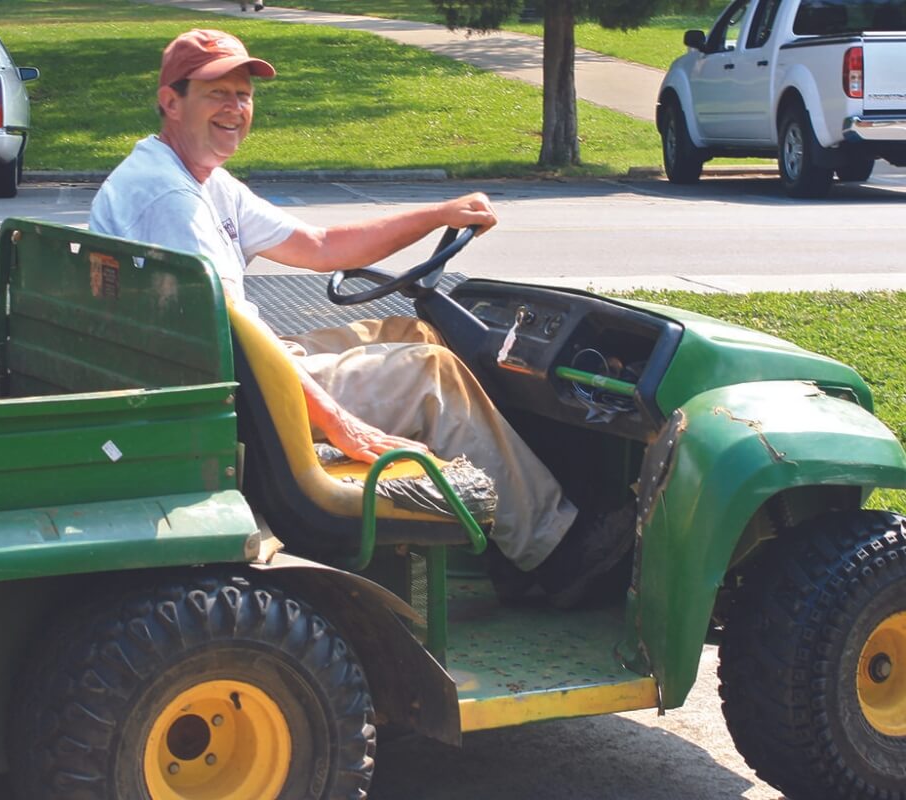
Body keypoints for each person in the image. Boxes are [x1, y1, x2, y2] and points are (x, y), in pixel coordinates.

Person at [88, 28, 635, 606]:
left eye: (243, 95)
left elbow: (320, 244)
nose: (235, 108)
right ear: (170, 101)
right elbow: (234, 338)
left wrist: (435, 215)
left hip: (224, 370)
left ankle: (501, 523)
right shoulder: (172, 201)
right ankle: (556, 552)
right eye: (215, 93)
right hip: (232, 400)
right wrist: (339, 422)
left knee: (415, 331)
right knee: (432, 373)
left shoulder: (195, 178)